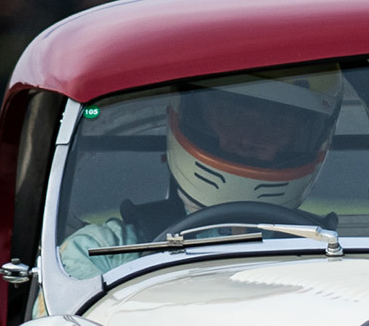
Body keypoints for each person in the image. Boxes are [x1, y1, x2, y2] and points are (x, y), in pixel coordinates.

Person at [59, 72, 342, 275]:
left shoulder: (338, 256)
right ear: (189, 115)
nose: (249, 137)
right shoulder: (104, 252)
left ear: (309, 137)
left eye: (276, 121)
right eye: (232, 114)